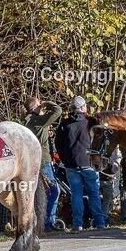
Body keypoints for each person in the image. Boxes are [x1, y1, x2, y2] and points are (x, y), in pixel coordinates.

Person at [54, 96, 107, 231]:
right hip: (89, 163)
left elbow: (58, 144)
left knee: (76, 195)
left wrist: (65, 159)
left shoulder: (64, 124)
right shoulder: (91, 122)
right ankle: (100, 222)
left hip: (71, 165)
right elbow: (100, 142)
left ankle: (78, 224)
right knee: (94, 193)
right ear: (83, 108)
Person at [23, 96, 63, 232]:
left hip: (33, 161)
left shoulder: (27, 121)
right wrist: (47, 103)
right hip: (43, 161)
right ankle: (47, 221)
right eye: (40, 105)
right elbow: (58, 110)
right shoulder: (39, 121)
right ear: (35, 108)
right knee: (54, 190)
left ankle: (37, 222)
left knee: (38, 192)